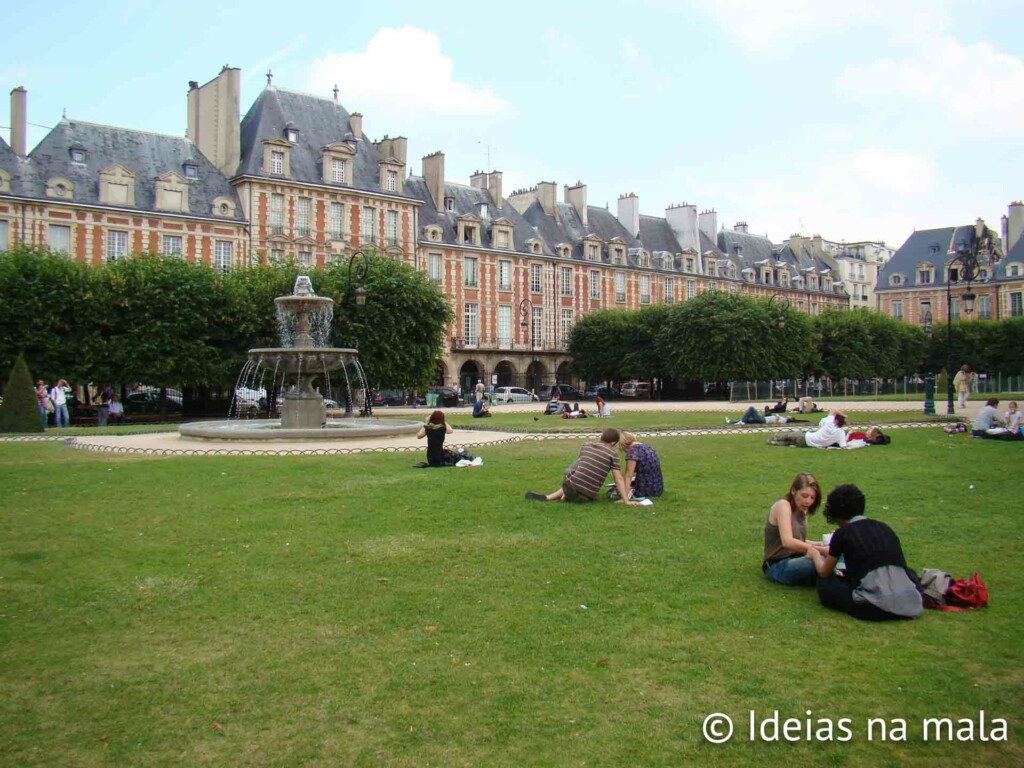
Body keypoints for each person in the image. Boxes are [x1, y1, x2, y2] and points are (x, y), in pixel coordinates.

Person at [806, 484, 923, 621]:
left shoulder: (843, 533)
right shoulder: (884, 528)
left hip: (874, 607)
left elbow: (824, 572)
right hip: (909, 602)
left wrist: (814, 554)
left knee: (826, 584)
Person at [525, 427, 640, 505]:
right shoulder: (613, 454)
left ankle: (552, 496)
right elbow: (618, 478)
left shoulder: (586, 445)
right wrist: (626, 501)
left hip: (569, 488)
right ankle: (554, 496)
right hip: (585, 498)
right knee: (582, 466)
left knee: (579, 463)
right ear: (614, 443)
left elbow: (581, 467)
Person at [762, 472, 825, 586]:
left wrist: (823, 544)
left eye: (812, 498)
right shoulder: (783, 506)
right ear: (793, 491)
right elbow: (788, 542)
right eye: (804, 496)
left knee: (831, 557)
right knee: (823, 561)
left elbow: (800, 541)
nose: (808, 501)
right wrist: (822, 551)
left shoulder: (802, 510)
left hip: (796, 557)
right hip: (778, 564)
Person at [765, 411, 849, 448]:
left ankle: (772, 439)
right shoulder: (841, 433)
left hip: (806, 436)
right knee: (788, 443)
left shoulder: (830, 422)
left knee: (788, 435)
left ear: (836, 420)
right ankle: (773, 442)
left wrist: (844, 416)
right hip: (807, 444)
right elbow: (843, 446)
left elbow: (833, 410)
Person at [618, 431, 663, 499]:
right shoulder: (648, 446)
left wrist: (624, 496)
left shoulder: (632, 452)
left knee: (619, 487)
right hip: (657, 488)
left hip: (644, 490)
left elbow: (628, 476)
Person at [727, 406, 809, 426]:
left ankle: (742, 422)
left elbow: (776, 424)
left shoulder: (785, 420)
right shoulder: (784, 418)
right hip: (763, 419)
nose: (788, 415)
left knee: (751, 409)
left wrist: (777, 417)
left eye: (790, 416)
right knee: (748, 420)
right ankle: (730, 421)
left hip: (763, 420)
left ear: (790, 419)